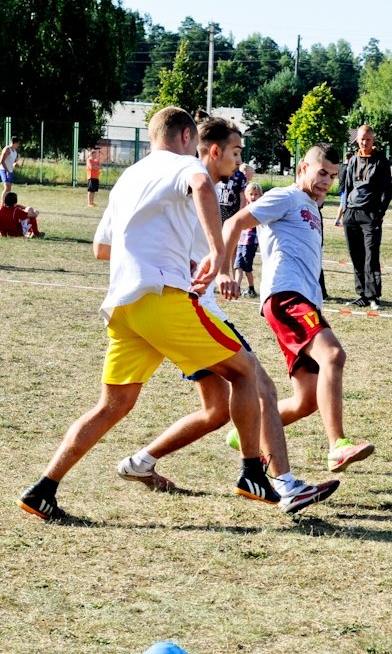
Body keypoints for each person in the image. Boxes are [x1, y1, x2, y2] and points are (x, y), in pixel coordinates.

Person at [17, 107, 277, 520]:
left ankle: (42, 489)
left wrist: (150, 246)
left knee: (112, 405)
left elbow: (101, 249)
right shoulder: (185, 165)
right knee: (245, 372)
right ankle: (251, 473)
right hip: (161, 298)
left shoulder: (127, 179)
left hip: (123, 306)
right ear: (188, 137)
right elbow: (202, 188)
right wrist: (212, 250)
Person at [108, 118, 338, 514]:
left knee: (216, 410)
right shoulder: (192, 180)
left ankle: (140, 462)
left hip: (173, 308)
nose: (240, 160)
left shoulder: (188, 185)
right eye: (235, 152)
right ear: (211, 150)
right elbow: (221, 230)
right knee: (259, 384)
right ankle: (282, 484)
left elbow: (107, 245)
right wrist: (218, 267)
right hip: (190, 311)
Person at [223, 143, 376, 473]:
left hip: (305, 301)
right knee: (333, 355)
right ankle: (338, 446)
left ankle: (247, 432)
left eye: (333, 176)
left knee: (306, 399)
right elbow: (234, 223)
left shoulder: (311, 207)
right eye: (321, 172)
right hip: (286, 297)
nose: (326, 181)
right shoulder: (285, 196)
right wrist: (224, 270)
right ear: (302, 168)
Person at [341, 125, 392, 310]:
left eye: (368, 140)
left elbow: (387, 191)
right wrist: (345, 209)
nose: (364, 143)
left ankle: (373, 296)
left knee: (371, 255)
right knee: (355, 254)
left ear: (373, 140)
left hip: (370, 215)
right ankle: (361, 294)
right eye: (362, 139)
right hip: (351, 213)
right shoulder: (353, 160)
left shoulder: (381, 161)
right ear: (357, 140)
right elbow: (347, 188)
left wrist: (379, 214)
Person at [233, 182, 263, 297]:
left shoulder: (258, 209)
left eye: (256, 194)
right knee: (238, 265)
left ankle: (251, 288)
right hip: (241, 241)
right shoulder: (245, 208)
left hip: (250, 242)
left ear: (260, 196)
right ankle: (237, 287)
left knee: (247, 267)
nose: (253, 197)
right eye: (251, 194)